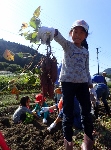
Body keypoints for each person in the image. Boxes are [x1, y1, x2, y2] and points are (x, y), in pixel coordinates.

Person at [37, 20, 97, 150]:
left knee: (86, 112)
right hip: (68, 84)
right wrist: (52, 31)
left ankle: (87, 142)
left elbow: (87, 70)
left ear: (85, 36)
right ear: (71, 33)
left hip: (82, 84)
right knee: (68, 113)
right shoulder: (67, 45)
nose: (78, 34)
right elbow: (59, 37)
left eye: (81, 32)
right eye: (75, 31)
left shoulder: (86, 52)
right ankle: (68, 144)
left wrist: (90, 84)